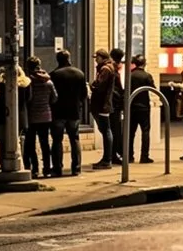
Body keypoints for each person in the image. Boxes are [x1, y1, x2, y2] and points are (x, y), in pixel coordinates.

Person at [49, 50, 89, 178]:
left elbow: (52, 96)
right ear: (69, 58)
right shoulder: (79, 74)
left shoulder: (54, 75)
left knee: (57, 140)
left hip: (58, 112)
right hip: (74, 111)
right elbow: (84, 94)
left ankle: (57, 168)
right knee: (75, 139)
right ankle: (76, 168)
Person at [89, 49, 122, 169]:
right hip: (104, 104)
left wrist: (91, 86)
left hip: (102, 104)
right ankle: (108, 158)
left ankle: (107, 159)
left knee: (106, 130)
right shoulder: (109, 67)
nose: (95, 60)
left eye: (97, 57)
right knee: (106, 130)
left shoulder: (105, 69)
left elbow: (99, 86)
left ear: (102, 57)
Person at [24, 56, 56, 177]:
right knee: (45, 144)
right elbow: (55, 98)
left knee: (30, 144)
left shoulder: (28, 82)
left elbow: (28, 99)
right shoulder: (48, 81)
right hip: (46, 116)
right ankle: (47, 169)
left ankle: (34, 169)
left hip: (31, 116)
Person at [127, 55, 156, 164]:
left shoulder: (130, 75)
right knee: (145, 131)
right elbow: (153, 89)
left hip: (131, 106)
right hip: (144, 107)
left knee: (130, 132)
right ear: (144, 63)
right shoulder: (147, 76)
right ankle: (144, 156)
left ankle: (129, 156)